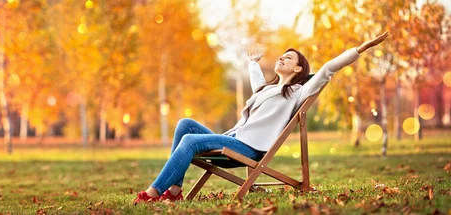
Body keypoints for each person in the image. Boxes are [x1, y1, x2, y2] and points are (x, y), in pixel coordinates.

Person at [133, 32, 389, 204]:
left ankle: (153, 192)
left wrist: (360, 49)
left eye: (288, 57)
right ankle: (175, 191)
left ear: (298, 68)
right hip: (234, 138)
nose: (282, 57)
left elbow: (327, 70)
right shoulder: (268, 89)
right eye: (282, 55)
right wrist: (253, 63)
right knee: (184, 125)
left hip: (249, 148)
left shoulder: (298, 92)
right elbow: (257, 82)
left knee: (189, 140)